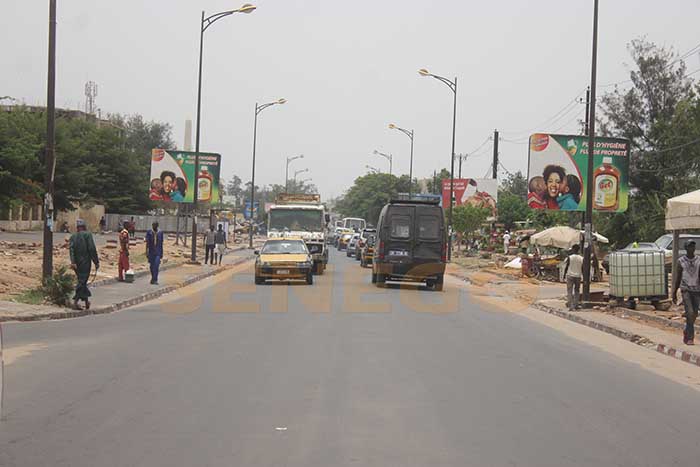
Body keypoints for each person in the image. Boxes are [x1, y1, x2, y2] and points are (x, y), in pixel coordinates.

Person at [672, 240, 699, 345]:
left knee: (694, 314)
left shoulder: (698, 260)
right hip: (686, 289)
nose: (691, 248)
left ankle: (686, 331)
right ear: (686, 248)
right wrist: (674, 292)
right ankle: (690, 338)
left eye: (693, 246)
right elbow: (677, 278)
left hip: (697, 289)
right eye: (689, 246)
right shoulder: (681, 261)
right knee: (690, 312)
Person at [69, 219, 99, 310]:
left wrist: (73, 262)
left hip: (76, 264)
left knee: (82, 281)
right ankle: (75, 302)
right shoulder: (87, 235)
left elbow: (71, 250)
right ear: (84, 227)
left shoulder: (73, 237)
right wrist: (96, 262)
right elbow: (92, 249)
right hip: (85, 263)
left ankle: (86, 302)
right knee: (82, 282)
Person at [564, 244, 584, 311]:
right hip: (578, 276)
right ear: (578, 250)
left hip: (570, 275)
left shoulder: (570, 257)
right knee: (577, 291)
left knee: (569, 291)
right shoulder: (581, 258)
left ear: (573, 249)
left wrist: (564, 275)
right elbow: (583, 268)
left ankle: (571, 306)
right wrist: (583, 276)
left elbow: (567, 266)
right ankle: (576, 305)